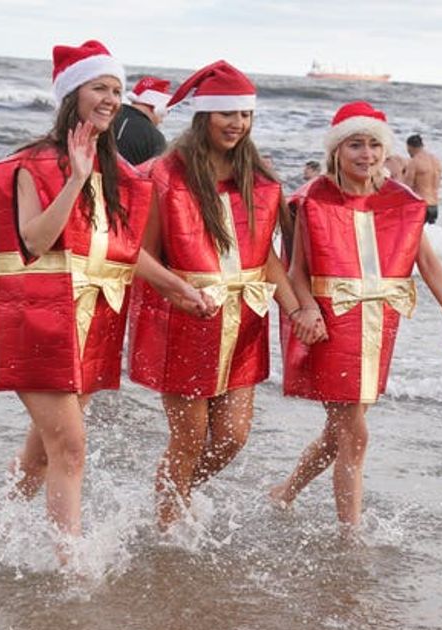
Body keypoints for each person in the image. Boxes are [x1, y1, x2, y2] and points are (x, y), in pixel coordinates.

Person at [0, 40, 208, 557]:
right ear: (71, 96)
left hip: (89, 326)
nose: (110, 98)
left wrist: (177, 288)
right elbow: (34, 241)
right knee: (71, 445)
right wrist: (77, 179)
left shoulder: (120, 176)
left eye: (116, 89)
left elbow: (123, 252)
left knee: (42, 456)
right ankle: (71, 562)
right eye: (99, 88)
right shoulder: (33, 163)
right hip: (38, 322)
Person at [127, 60, 315, 530]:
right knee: (189, 437)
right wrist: (178, 290)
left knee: (232, 437)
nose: (237, 123)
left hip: (244, 320)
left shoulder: (260, 178)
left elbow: (265, 258)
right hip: (183, 321)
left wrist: (296, 308)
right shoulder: (164, 175)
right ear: (203, 116)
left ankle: (174, 493)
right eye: (226, 113)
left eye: (245, 115)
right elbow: (137, 254)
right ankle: (168, 528)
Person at [268, 101, 442, 529]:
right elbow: (296, 271)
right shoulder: (313, 199)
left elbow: (429, 264)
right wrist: (305, 308)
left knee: (339, 431)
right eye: (356, 145)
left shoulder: (404, 201)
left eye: (374, 145)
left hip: (379, 326)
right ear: (337, 151)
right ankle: (351, 532)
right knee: (354, 432)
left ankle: (284, 493)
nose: (367, 154)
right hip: (331, 325)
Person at [112, 76, 171, 165]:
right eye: (165, 112)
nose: (161, 121)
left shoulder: (107, 117)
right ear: (158, 107)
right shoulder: (155, 138)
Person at [404, 134, 442, 224]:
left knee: (416, 236)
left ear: (410, 147)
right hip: (434, 206)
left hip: (421, 206)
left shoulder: (414, 161)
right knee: (429, 235)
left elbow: (407, 188)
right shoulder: (436, 160)